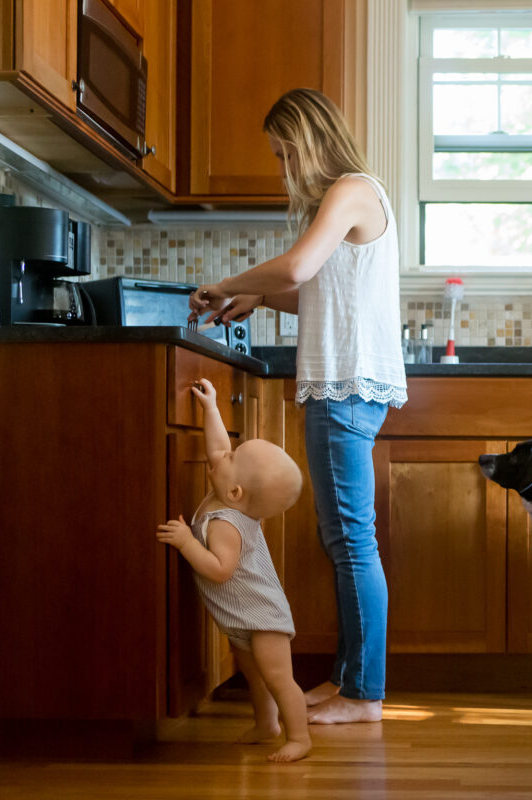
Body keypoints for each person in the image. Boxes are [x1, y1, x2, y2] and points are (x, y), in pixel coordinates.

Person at [188, 87, 406, 725]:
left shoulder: (351, 189)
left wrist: (231, 284)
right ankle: (349, 681)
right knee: (344, 539)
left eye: (285, 154)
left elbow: (300, 267)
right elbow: (323, 293)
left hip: (346, 387)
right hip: (348, 385)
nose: (284, 169)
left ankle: (364, 694)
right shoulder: (354, 198)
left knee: (351, 542)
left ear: (309, 140)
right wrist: (259, 300)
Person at [156, 379, 309, 762]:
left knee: (277, 678)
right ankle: (266, 725)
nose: (223, 455)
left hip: (263, 617)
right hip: (241, 618)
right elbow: (219, 448)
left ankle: (299, 737)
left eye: (233, 457)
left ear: (236, 492)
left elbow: (221, 570)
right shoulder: (230, 491)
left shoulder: (226, 524)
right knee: (254, 676)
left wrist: (187, 543)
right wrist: (210, 409)